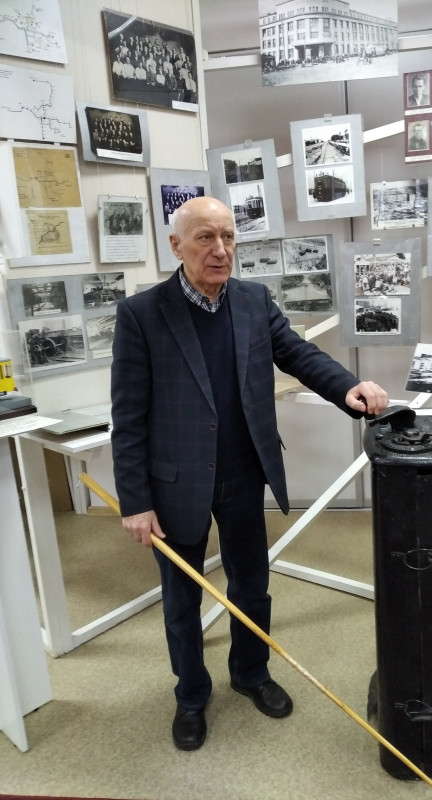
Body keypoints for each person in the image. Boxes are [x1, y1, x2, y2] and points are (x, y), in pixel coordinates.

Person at [110, 196, 389, 752]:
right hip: (176, 483)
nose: (220, 250)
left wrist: (348, 387)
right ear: (176, 246)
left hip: (244, 471)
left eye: (229, 237)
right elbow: (129, 416)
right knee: (182, 599)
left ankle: (250, 672)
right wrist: (135, 501)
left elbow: (298, 355)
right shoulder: (142, 313)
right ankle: (191, 695)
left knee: (252, 586)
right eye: (205, 238)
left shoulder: (253, 299)